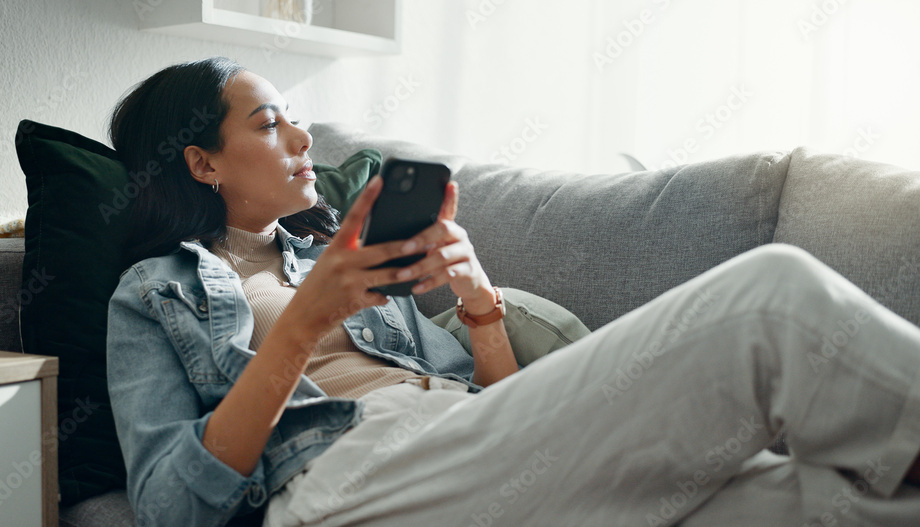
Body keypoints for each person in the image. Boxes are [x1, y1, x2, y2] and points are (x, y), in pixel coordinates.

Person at [105, 56, 920, 527]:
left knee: (812, 499)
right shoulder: (158, 290)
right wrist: (301, 323)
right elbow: (171, 506)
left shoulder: (335, 251)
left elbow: (493, 398)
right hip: (342, 482)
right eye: (267, 122)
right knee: (770, 300)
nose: (303, 136)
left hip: (465, 445)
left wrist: (478, 300)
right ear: (201, 161)